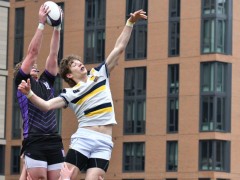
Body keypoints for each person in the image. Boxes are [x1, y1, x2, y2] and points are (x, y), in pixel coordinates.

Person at [18, 9, 147, 180]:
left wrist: (130, 23)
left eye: (79, 62)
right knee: (65, 178)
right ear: (69, 75)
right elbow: (47, 106)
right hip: (84, 139)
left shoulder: (100, 74)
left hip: (105, 142)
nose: (80, 64)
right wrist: (29, 94)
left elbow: (119, 48)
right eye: (74, 64)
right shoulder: (70, 94)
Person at [14, 3, 64, 180]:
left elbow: (53, 54)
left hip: (53, 140)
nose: (35, 66)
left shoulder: (46, 81)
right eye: (31, 66)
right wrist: (41, 24)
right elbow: (33, 53)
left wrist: (57, 28)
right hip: (34, 139)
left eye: (36, 66)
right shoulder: (22, 82)